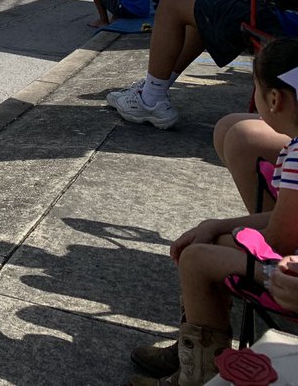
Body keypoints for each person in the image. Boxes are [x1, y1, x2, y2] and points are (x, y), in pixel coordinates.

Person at [123, 38, 298, 386]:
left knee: (196, 259)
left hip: (288, 276)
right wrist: (221, 225)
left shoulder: (296, 158)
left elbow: (280, 238)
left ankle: (196, 374)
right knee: (213, 239)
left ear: (274, 100)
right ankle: (196, 354)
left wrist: (225, 233)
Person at [106, 0, 298, 130]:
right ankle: (152, 90)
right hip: (287, 19)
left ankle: (150, 98)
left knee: (172, 2)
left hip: (287, 24)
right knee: (200, 15)